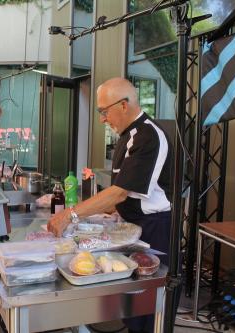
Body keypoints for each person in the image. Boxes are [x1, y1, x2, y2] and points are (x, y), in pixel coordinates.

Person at [48, 77, 173, 333]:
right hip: (132, 226)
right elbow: (127, 195)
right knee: (129, 303)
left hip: (152, 229)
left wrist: (70, 215)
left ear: (124, 105)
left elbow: (119, 193)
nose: (102, 119)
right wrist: (105, 213)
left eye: (104, 111)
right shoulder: (127, 135)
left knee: (146, 305)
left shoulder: (148, 135)